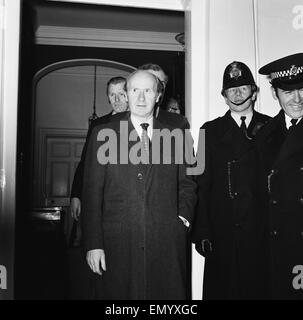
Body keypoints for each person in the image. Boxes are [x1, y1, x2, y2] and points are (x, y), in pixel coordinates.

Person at [81, 70, 197, 299]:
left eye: (148, 91)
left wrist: (182, 221)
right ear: (127, 94)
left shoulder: (178, 133)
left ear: (158, 96)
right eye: (135, 90)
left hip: (165, 242)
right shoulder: (102, 133)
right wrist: (93, 243)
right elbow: (92, 192)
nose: (141, 98)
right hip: (117, 243)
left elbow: (188, 183)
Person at [191, 61, 271, 299]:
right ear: (224, 96)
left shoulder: (270, 128)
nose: (238, 94)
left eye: (244, 88)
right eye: (231, 90)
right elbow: (200, 184)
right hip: (222, 232)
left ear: (254, 92)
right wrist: (202, 231)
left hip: (261, 232)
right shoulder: (209, 131)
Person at [258, 53, 303, 299]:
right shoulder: (264, 134)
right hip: (276, 244)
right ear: (275, 94)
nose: (297, 99)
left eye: (302, 89)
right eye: (288, 92)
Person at [70, 76, 128, 223]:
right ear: (108, 98)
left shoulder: (142, 123)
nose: (117, 99)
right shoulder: (98, 125)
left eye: (121, 94)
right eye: (112, 95)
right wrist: (76, 195)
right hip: (103, 200)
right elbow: (85, 162)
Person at [138, 63, 189, 129]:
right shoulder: (122, 121)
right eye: (151, 81)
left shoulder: (178, 122)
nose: (157, 87)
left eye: (161, 83)